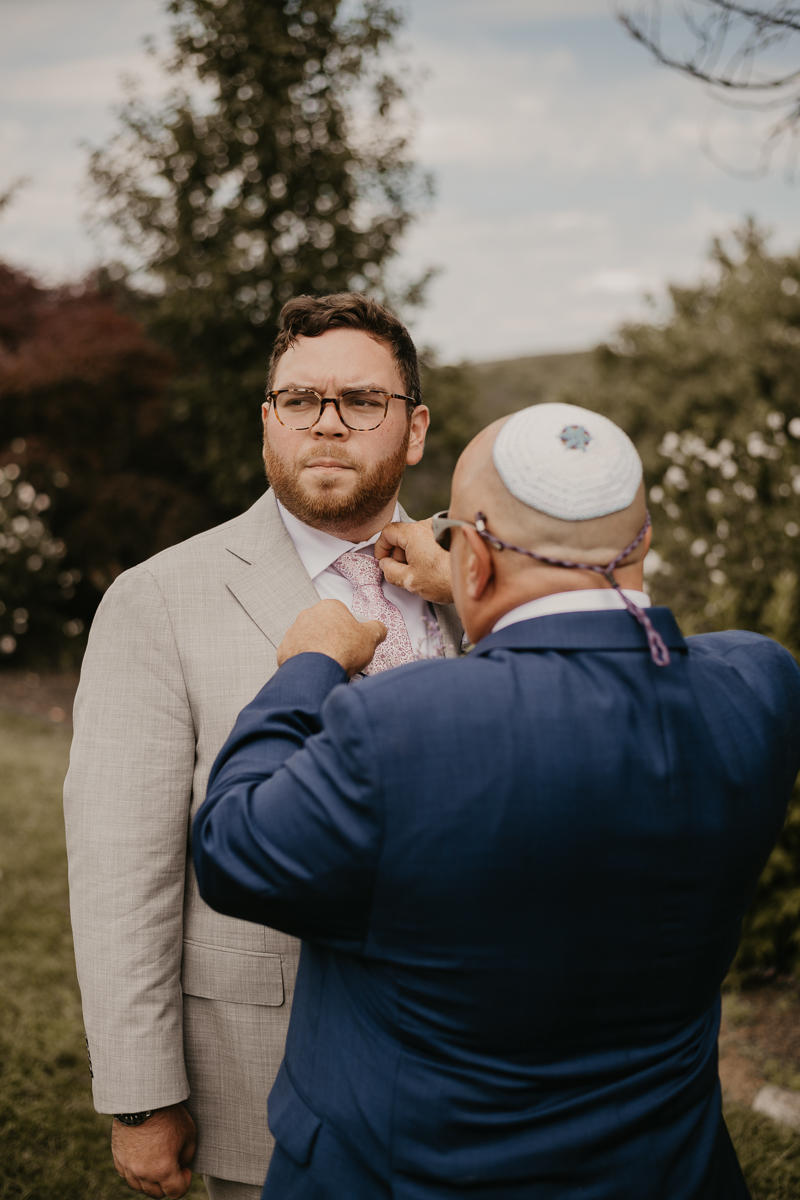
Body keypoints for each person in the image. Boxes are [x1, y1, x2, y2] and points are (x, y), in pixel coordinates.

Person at [193, 402, 800, 1200]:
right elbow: (608, 666)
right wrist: (493, 588)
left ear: (471, 558)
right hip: (664, 1173)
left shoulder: (396, 725)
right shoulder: (760, 685)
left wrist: (306, 666)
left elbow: (234, 850)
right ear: (643, 541)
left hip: (412, 1177)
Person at [63, 292, 462, 1200]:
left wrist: (475, 593)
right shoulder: (158, 598)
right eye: (299, 400)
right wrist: (139, 1097)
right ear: (268, 420)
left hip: (470, 1071)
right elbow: (123, 870)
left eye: (362, 402)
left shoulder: (474, 581)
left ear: (414, 429)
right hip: (265, 1073)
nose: (327, 425)